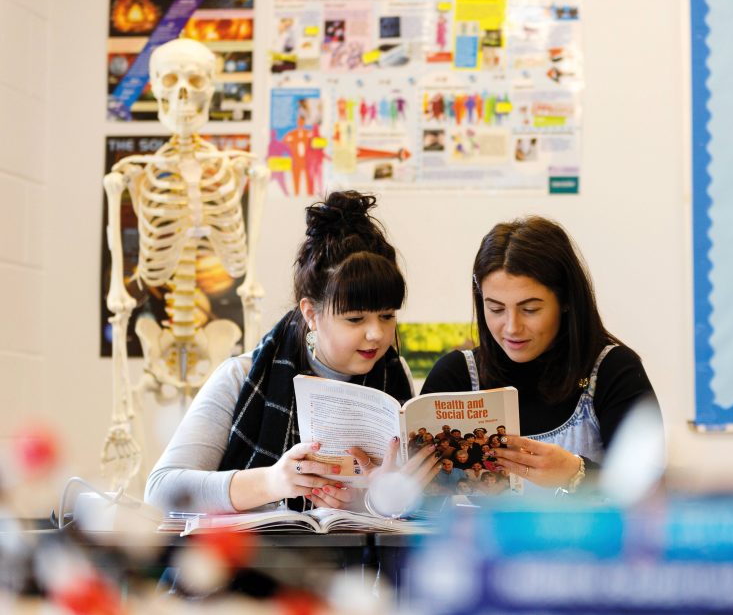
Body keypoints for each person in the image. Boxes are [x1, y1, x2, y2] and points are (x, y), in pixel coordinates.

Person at [146, 191, 438, 514]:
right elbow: (160, 491)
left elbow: (400, 519)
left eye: (387, 316)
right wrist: (272, 482)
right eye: (355, 318)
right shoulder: (242, 376)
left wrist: (375, 499)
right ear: (311, 314)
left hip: (352, 564)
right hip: (250, 562)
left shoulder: (396, 379)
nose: (377, 334)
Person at [421, 216, 660, 494]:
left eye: (530, 309)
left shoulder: (614, 371)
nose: (511, 327)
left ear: (566, 301)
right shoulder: (456, 374)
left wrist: (576, 473)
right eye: (496, 309)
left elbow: (652, 495)